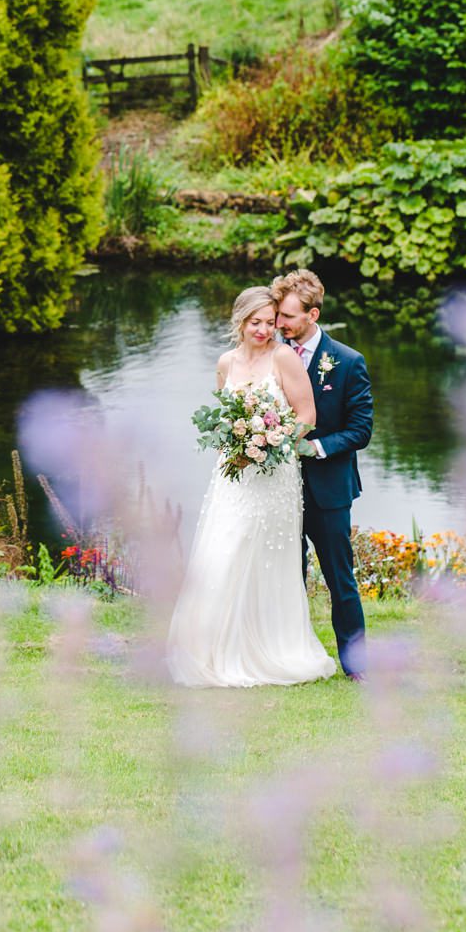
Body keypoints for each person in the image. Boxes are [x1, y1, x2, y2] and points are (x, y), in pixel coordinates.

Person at [165, 286, 341, 688]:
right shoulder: (225, 362)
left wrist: (274, 440)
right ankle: (209, 651)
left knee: (263, 559)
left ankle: (267, 648)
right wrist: (236, 441)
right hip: (233, 476)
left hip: (273, 477)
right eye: (254, 322)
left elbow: (307, 414)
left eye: (269, 322)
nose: (263, 330)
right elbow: (224, 416)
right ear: (240, 322)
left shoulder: (284, 358)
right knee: (220, 552)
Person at [271, 268, 373, 680]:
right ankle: (286, 658)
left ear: (312, 315)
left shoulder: (348, 362)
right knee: (282, 576)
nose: (278, 324)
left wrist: (316, 446)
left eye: (287, 317)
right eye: (277, 315)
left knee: (339, 578)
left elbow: (361, 429)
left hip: (328, 490)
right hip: (276, 488)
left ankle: (356, 665)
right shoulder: (270, 357)